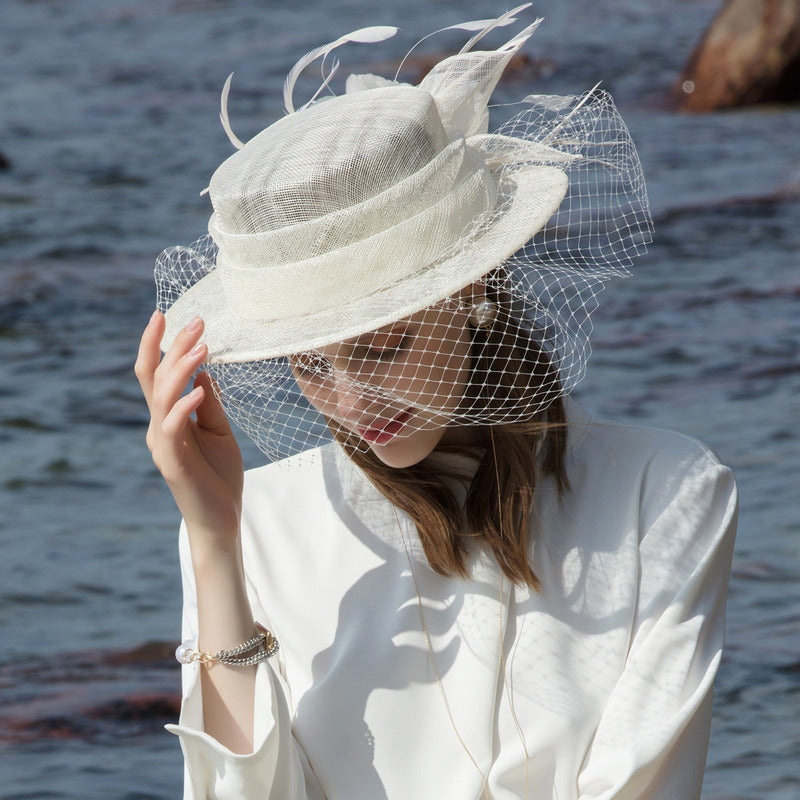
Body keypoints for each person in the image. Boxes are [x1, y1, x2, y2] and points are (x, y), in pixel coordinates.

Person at [136, 9, 738, 799]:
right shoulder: (260, 525)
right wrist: (215, 543)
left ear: (470, 286)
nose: (351, 401)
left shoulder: (663, 493)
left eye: (385, 346)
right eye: (310, 363)